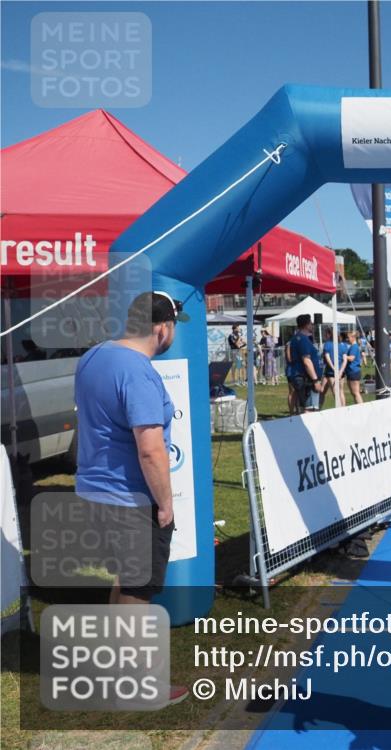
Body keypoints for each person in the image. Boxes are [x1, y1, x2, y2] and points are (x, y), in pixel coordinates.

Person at [74, 291, 192, 706]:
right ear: (161, 328)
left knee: (124, 582)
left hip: (94, 489)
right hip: (129, 496)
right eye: (173, 326)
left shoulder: (93, 357)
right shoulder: (138, 372)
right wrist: (166, 503)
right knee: (137, 592)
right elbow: (151, 450)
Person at [288, 314, 323, 412]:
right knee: (310, 410)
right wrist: (315, 380)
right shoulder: (302, 339)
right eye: (311, 323)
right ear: (306, 325)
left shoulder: (297, 338)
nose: (312, 325)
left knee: (306, 408)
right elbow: (307, 361)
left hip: (303, 377)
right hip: (306, 379)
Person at [343, 330, 364, 405]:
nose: (347, 339)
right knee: (354, 393)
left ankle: (362, 408)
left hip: (353, 371)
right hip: (351, 371)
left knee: (356, 393)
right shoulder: (353, 346)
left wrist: (343, 356)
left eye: (348, 337)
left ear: (353, 337)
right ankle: (358, 407)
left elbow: (352, 358)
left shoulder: (354, 347)